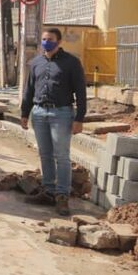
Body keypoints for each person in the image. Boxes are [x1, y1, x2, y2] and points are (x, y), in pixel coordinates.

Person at [20, 28, 87, 217]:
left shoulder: (71, 63)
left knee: (62, 156)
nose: (45, 42)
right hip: (39, 113)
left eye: (49, 39)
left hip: (62, 113)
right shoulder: (36, 63)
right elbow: (29, 90)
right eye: (43, 39)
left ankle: (62, 196)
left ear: (58, 42)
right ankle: (48, 191)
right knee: (45, 154)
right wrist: (25, 113)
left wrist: (79, 118)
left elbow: (81, 92)